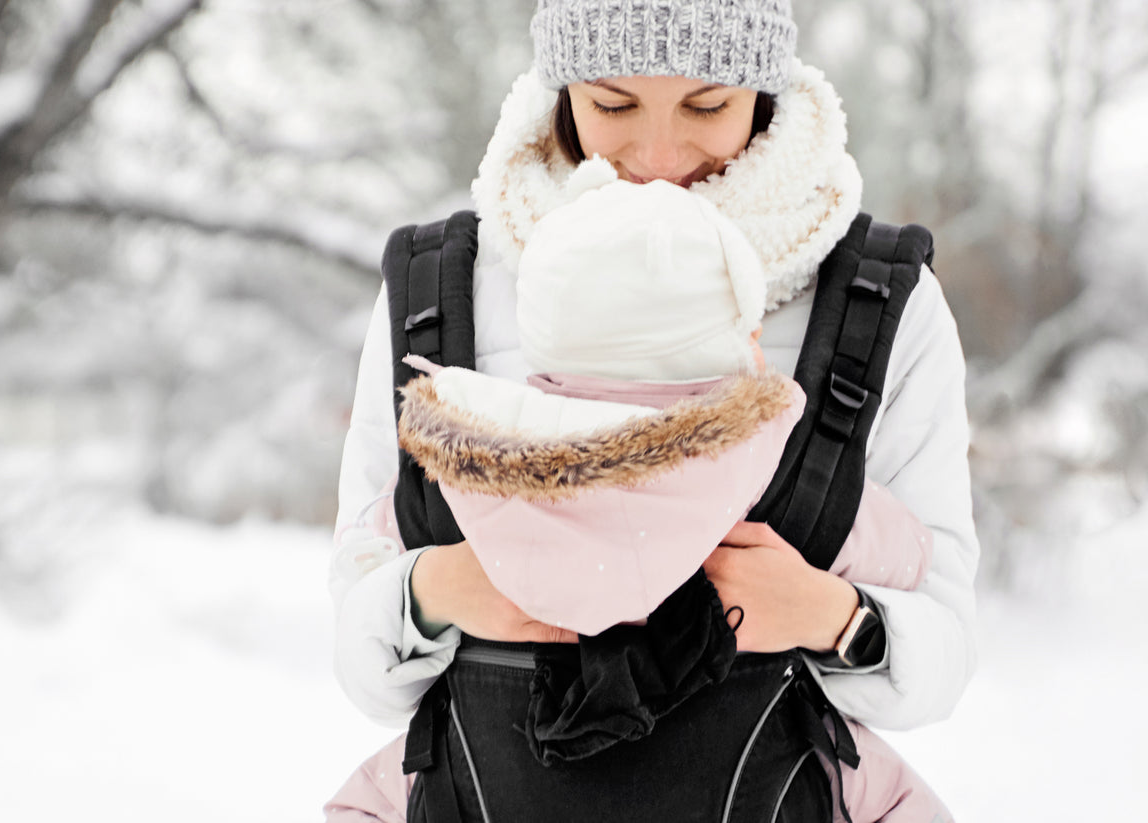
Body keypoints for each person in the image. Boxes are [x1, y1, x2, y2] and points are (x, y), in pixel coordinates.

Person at [329, 0, 978, 817]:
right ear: (564, 88)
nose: (662, 157)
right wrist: (435, 590)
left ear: (764, 89)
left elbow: (945, 647)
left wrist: (830, 616)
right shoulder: (442, 291)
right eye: (613, 103)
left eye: (708, 106)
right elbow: (357, 638)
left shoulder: (877, 300)